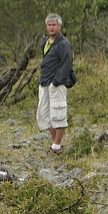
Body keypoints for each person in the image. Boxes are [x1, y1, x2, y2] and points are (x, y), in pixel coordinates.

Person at [37, 13, 74, 154]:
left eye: (54, 25)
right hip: (44, 82)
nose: (51, 27)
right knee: (44, 115)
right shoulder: (45, 42)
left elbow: (67, 63)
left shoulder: (64, 44)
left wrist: (57, 81)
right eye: (49, 25)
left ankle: (56, 146)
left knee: (58, 114)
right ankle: (57, 143)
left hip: (56, 84)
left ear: (60, 26)